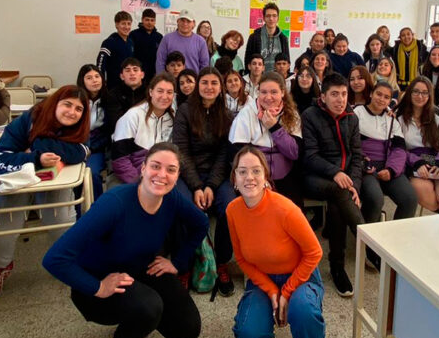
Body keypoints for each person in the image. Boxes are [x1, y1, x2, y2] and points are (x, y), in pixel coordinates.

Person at [43, 143, 205, 338]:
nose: (162, 175)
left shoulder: (171, 198)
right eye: (155, 166)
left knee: (187, 326)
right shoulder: (114, 203)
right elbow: (54, 258)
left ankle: (139, 320)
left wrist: (177, 262)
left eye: (171, 170)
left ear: (177, 176)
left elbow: (200, 223)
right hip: (96, 283)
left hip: (139, 267)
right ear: (142, 168)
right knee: (149, 307)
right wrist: (97, 286)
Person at [227, 146, 337, 338]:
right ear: (234, 179)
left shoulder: (285, 208)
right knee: (250, 335)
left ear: (266, 177)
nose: (249, 177)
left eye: (256, 171)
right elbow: (241, 259)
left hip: (299, 276)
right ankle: (267, 329)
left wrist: (286, 291)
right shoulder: (232, 210)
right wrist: (271, 291)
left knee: (303, 313)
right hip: (263, 279)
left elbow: (314, 253)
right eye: (242, 172)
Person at [0, 86, 90, 300]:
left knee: (61, 217)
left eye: (78, 109)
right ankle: (1, 266)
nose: (72, 112)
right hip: (17, 181)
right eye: (67, 104)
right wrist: (35, 158)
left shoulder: (79, 128)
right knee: (2, 216)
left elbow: (81, 152)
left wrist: (37, 145)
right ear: (55, 103)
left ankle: (65, 262)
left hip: (53, 181)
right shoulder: (29, 119)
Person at [171, 67, 236, 295]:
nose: (209, 87)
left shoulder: (227, 116)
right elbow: (181, 152)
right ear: (198, 87)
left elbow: (224, 155)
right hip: (189, 173)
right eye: (205, 83)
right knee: (182, 207)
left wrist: (211, 185)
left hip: (217, 175)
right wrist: (197, 186)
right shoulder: (185, 111)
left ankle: (221, 262)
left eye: (214, 83)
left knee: (230, 208)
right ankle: (184, 267)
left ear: (221, 88)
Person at [301, 73, 364, 297]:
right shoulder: (310, 115)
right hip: (314, 177)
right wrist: (335, 172)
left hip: (343, 182)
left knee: (339, 202)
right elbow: (309, 156)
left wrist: (354, 184)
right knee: (340, 192)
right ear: (324, 96)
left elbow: (357, 156)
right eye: (334, 94)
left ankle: (337, 267)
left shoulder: (352, 118)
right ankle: (371, 245)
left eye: (344, 94)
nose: (340, 100)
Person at [228, 72, 304, 208]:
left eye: (274, 92)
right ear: (258, 92)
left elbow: (294, 152)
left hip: (285, 174)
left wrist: (275, 127)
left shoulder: (292, 114)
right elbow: (237, 153)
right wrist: (260, 177)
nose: (268, 97)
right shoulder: (247, 113)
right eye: (263, 92)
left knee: (291, 209)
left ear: (282, 92)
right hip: (254, 174)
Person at [355, 81, 417, 231]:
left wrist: (391, 170)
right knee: (376, 199)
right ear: (371, 94)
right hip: (366, 168)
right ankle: (367, 239)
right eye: (378, 94)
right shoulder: (357, 113)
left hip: (388, 167)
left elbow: (399, 149)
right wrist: (363, 162)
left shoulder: (391, 120)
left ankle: (393, 238)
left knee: (410, 199)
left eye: (386, 97)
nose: (381, 99)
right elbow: (350, 144)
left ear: (390, 101)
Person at [395, 77, 439, 213]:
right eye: (416, 92)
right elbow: (397, 149)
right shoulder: (399, 117)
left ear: (430, 95)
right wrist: (417, 163)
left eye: (425, 92)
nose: (420, 96)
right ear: (409, 93)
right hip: (413, 163)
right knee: (426, 193)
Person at [111, 73, 176, 185]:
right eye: (160, 91)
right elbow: (119, 160)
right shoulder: (133, 116)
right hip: (136, 176)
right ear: (151, 92)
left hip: (163, 176)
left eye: (169, 92)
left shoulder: (174, 119)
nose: (165, 96)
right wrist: (140, 182)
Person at [77, 64, 111, 198]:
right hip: (77, 144)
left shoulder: (109, 100)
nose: (95, 80)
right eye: (89, 78)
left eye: (97, 76)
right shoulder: (77, 99)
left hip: (97, 147)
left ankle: (97, 207)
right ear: (82, 81)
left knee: (92, 173)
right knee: (74, 175)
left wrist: (92, 147)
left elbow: (109, 131)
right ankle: (76, 212)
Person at [244, 2, 290, 73]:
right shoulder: (254, 37)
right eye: (268, 16)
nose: (271, 19)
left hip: (277, 78)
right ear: (264, 18)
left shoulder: (283, 38)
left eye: (274, 16)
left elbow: (287, 61)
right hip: (259, 78)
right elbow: (248, 60)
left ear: (278, 18)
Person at [105, 58, 147, 129]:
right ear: (122, 76)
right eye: (127, 70)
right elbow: (115, 121)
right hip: (122, 132)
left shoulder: (151, 93)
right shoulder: (113, 94)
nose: (132, 73)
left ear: (142, 75)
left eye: (135, 70)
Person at [98, 11, 135, 90]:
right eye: (123, 23)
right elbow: (100, 65)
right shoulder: (109, 42)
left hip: (128, 84)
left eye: (129, 24)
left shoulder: (130, 42)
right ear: (117, 25)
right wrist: (101, 83)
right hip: (113, 85)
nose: (126, 27)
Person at [128, 8, 163, 84]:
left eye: (152, 20)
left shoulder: (159, 37)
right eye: (147, 20)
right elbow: (130, 55)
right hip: (138, 74)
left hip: (154, 74)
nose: (149, 23)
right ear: (142, 20)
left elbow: (161, 57)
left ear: (155, 21)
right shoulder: (133, 35)